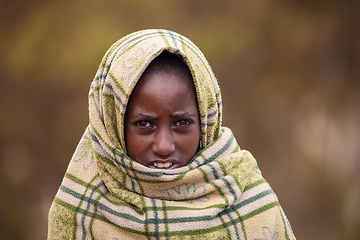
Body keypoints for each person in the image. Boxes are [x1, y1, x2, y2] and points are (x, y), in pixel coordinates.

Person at [48, 29, 296, 239]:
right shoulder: (80, 209)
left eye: (182, 123)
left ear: (205, 124)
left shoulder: (251, 203)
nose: (164, 146)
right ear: (114, 126)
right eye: (145, 125)